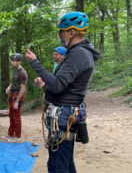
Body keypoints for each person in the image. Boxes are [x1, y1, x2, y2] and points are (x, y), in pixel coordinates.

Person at [25, 12, 101, 173]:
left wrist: (35, 63)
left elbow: (58, 85)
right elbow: (63, 80)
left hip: (63, 116)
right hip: (66, 114)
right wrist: (46, 81)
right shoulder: (76, 52)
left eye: (61, 31)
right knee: (65, 162)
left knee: (57, 165)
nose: (60, 34)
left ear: (71, 32)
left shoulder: (78, 54)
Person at [1, 53, 28, 143]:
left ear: (19, 62)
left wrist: (17, 101)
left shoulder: (22, 73)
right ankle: (10, 133)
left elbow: (23, 89)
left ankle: (17, 136)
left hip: (18, 95)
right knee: (11, 115)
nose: (12, 63)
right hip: (13, 94)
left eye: (13, 61)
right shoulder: (15, 71)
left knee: (16, 116)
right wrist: (9, 87)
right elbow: (13, 82)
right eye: (11, 61)